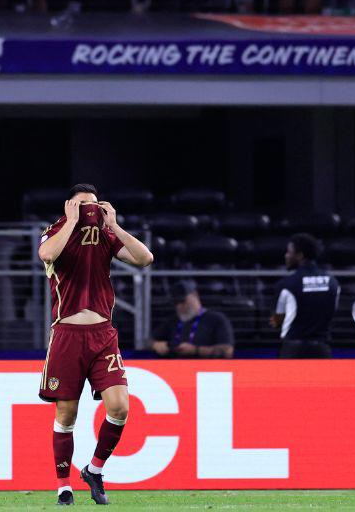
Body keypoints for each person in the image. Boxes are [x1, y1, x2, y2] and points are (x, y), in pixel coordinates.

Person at [37, 183, 153, 506]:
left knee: (120, 407)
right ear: (68, 206)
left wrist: (113, 224)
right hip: (66, 335)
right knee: (67, 413)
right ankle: (63, 486)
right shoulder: (55, 232)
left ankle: (94, 469)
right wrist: (72, 221)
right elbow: (46, 254)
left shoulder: (105, 234)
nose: (90, 210)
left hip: (103, 335)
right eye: (82, 204)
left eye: (93, 204)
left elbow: (145, 258)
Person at [269, 233, 340, 359]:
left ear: (300, 256)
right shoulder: (333, 282)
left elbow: (276, 321)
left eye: (289, 252)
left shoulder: (286, 284)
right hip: (323, 351)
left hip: (294, 351)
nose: (286, 256)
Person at [150, 281, 234, 358]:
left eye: (182, 301)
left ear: (195, 295)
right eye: (175, 303)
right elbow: (147, 340)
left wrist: (195, 350)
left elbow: (227, 351)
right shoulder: (173, 321)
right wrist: (155, 344)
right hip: (176, 369)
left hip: (205, 370)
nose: (179, 306)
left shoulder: (216, 319)